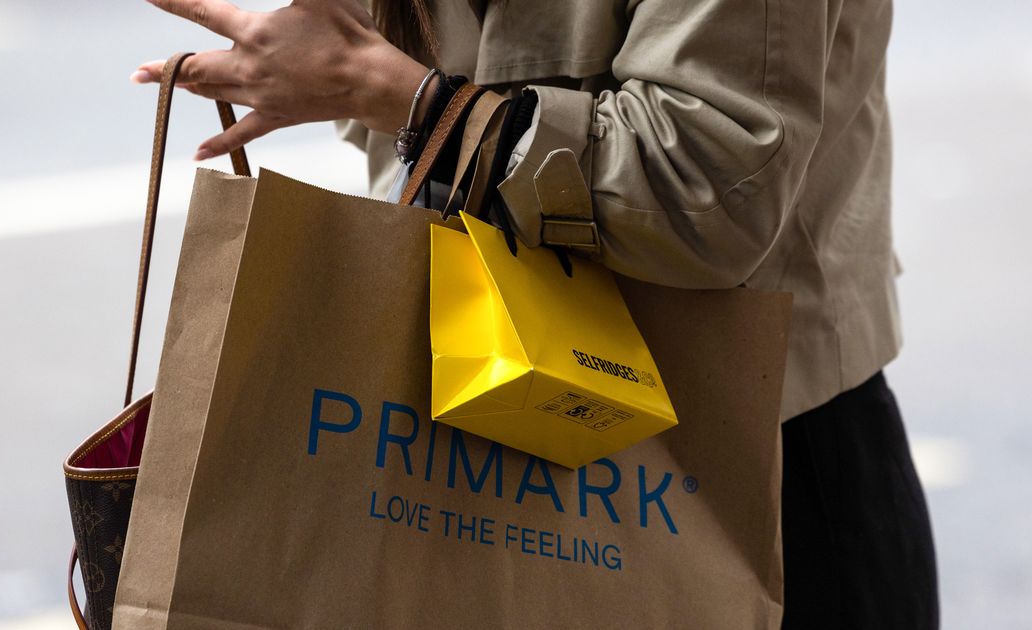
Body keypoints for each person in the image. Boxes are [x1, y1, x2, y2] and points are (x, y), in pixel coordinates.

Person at [131, 0, 938, 627]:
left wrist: (398, 95)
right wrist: (339, 62)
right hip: (457, 415)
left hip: (746, 456)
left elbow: (708, 191)